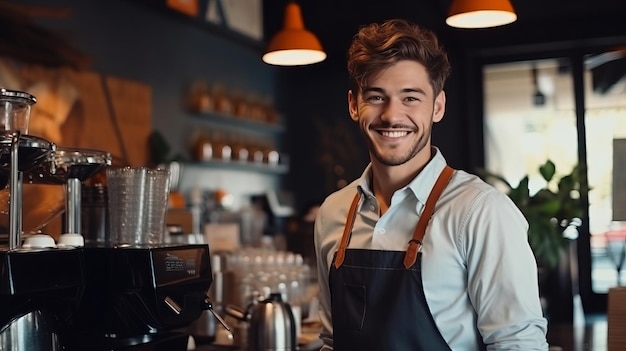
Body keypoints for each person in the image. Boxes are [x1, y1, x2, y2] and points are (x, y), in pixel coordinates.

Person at [313, 19, 548, 350]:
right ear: (354, 105)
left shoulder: (481, 211)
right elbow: (331, 340)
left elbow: (517, 343)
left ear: (437, 106)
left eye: (410, 98)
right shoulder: (332, 212)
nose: (392, 115)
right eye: (377, 96)